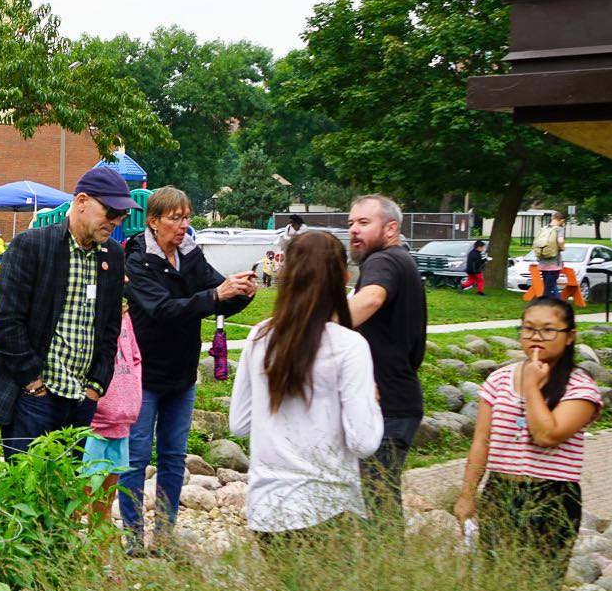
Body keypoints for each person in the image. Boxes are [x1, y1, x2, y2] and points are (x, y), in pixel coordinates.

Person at [0, 165, 132, 457]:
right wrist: (34, 384)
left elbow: (109, 328)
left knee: (67, 494)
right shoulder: (32, 245)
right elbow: (7, 322)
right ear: (81, 201)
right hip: (36, 398)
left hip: (82, 398)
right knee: (26, 493)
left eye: (123, 215)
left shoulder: (113, 256)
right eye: (111, 212)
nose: (116, 221)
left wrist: (96, 386)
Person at [230, 230, 384, 543]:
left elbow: (240, 425)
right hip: (327, 510)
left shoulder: (260, 337)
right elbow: (364, 442)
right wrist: (373, 401)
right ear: (343, 277)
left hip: (267, 512)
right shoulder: (349, 346)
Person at [121, 186, 257, 538]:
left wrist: (240, 293)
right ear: (153, 221)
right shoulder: (136, 259)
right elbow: (162, 309)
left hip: (182, 374)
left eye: (187, 217)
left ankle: (166, 534)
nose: (183, 225)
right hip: (145, 374)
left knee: (172, 457)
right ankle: (134, 535)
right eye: (174, 218)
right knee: (136, 458)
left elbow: (217, 296)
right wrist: (215, 295)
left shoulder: (189, 254)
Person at [453, 296, 601, 581]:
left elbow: (547, 435)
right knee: (495, 582)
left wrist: (532, 386)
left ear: (569, 336)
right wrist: (467, 494)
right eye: (528, 329)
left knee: (539, 588)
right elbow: (481, 441)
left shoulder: (580, 386)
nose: (536, 337)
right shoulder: (498, 380)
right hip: (501, 492)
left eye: (548, 330)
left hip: (553, 497)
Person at [347, 194, 427, 525]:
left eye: (364, 223)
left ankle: (388, 568)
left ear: (391, 228)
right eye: (350, 223)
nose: (353, 230)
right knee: (378, 498)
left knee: (379, 503)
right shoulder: (400, 259)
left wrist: (312, 330)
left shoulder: (383, 261)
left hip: (389, 406)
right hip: (397, 398)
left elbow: (372, 298)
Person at [83, 303, 142, 528]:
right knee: (80, 498)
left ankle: (101, 557)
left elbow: (134, 359)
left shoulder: (125, 315)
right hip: (93, 424)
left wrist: (130, 401)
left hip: (119, 421)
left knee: (105, 502)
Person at [531, 212, 569, 301]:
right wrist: (562, 248)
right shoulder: (559, 229)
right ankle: (543, 303)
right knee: (548, 289)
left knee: (550, 285)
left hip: (542, 262)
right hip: (554, 263)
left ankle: (558, 303)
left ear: (552, 218)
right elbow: (560, 241)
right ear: (562, 220)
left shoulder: (543, 228)